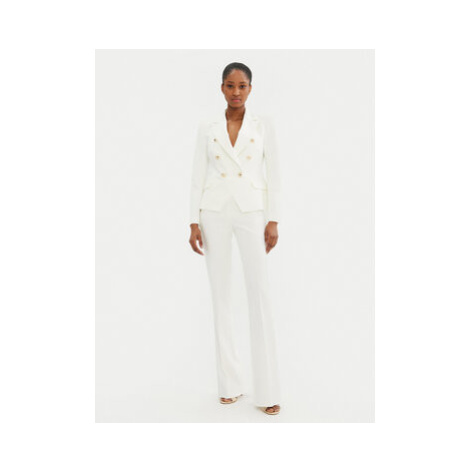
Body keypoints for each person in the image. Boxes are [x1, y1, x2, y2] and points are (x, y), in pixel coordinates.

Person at [188, 62, 282, 415]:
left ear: (250, 88)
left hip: (251, 211)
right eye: (230, 85)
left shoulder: (263, 124)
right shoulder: (208, 126)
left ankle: (268, 391)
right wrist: (192, 220)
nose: (236, 91)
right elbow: (197, 174)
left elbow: (275, 173)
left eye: (242, 85)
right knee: (221, 295)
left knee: (259, 294)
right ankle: (229, 384)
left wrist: (273, 219)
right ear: (222, 88)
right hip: (213, 211)